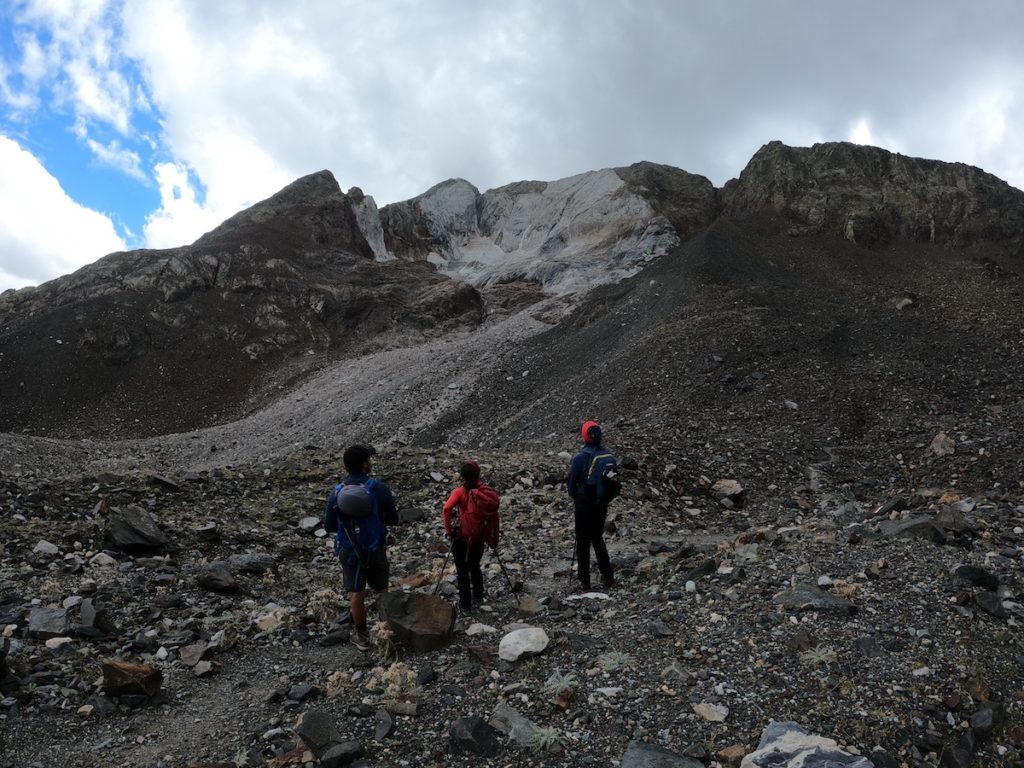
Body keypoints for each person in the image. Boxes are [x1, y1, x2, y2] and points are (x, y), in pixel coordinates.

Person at [323, 444, 399, 650]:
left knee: (356, 593)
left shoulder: (337, 492)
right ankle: (387, 632)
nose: (370, 462)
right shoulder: (379, 488)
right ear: (364, 464)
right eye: (368, 460)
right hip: (374, 547)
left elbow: (329, 525)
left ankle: (362, 636)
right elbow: (394, 519)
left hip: (349, 549)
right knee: (382, 590)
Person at [442, 461, 499, 615]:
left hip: (462, 536)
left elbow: (447, 508)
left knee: (462, 571)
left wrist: (448, 530)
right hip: (479, 536)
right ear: (478, 474)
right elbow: (494, 514)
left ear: (462, 477)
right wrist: (494, 537)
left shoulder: (460, 492)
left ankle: (465, 605)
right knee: (474, 566)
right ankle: (478, 596)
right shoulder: (486, 492)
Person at [567, 421, 617, 591]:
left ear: (585, 436)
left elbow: (572, 484)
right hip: (601, 504)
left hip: (584, 504)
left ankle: (585, 582)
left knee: (582, 542)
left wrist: (575, 496)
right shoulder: (608, 455)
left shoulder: (580, 457)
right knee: (597, 538)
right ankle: (608, 576)